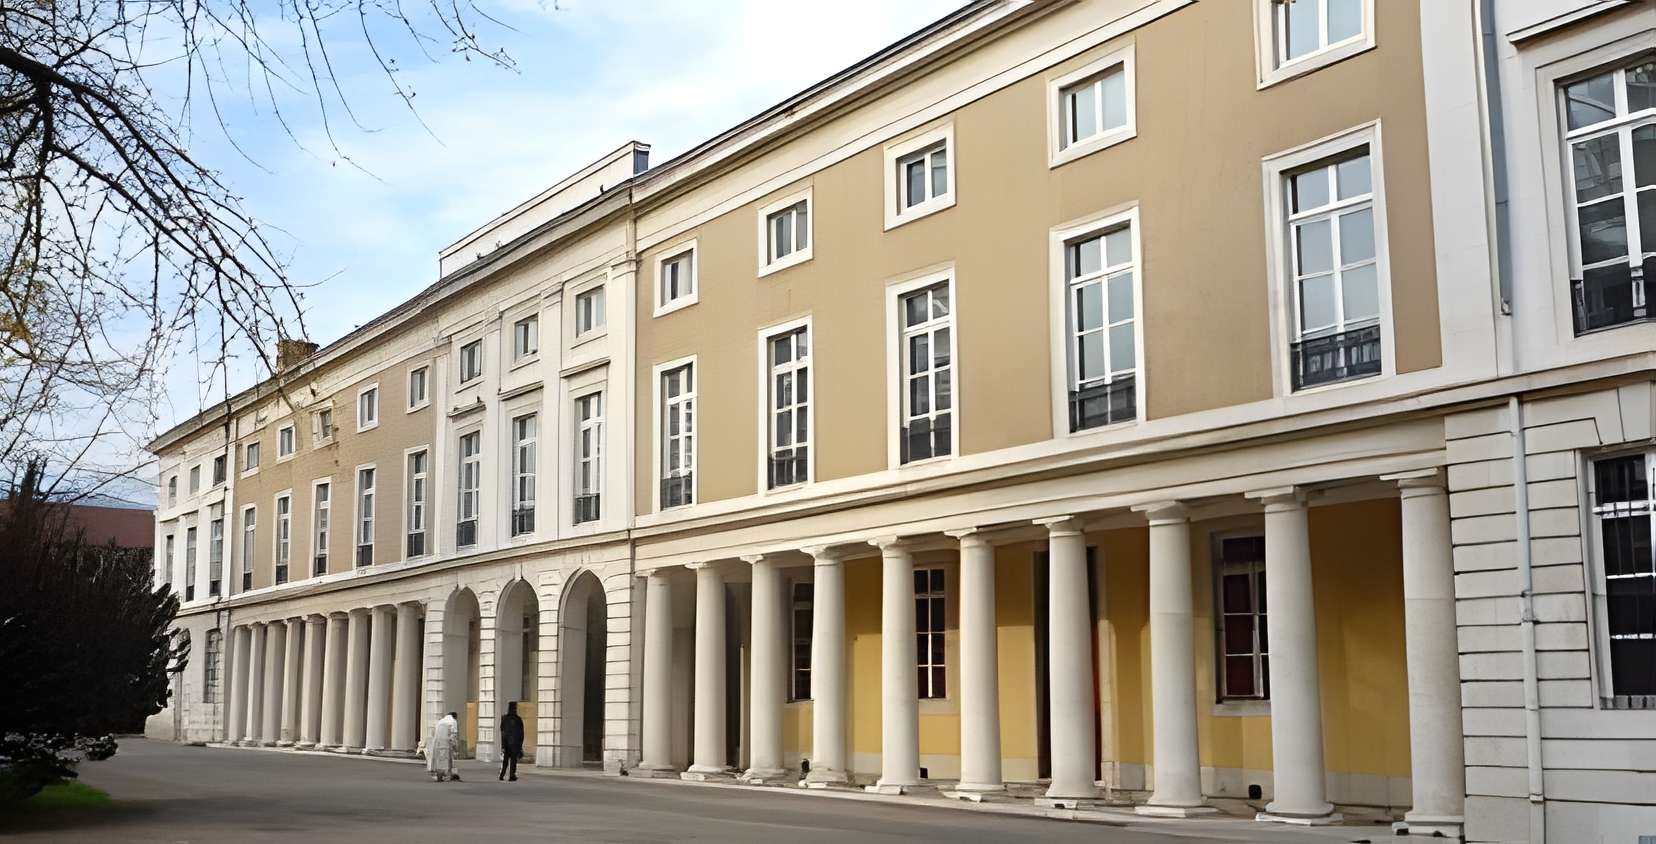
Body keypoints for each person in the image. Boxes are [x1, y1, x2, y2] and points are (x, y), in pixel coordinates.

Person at [428, 711, 460, 783]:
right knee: (447, 759)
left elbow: (433, 732)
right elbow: (454, 734)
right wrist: (455, 746)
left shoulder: (440, 721)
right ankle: (448, 775)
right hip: (446, 742)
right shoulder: (453, 721)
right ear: (455, 716)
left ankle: (439, 775)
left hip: (437, 742)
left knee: (438, 759)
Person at [499, 701, 524, 781]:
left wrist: (503, 744)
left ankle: (502, 774)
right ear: (515, 708)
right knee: (513, 760)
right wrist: (520, 746)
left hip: (506, 742)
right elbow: (521, 733)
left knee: (505, 760)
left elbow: (502, 731)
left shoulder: (504, 718)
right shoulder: (518, 719)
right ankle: (511, 775)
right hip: (515, 743)